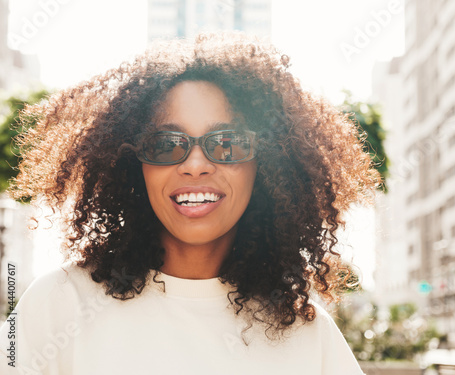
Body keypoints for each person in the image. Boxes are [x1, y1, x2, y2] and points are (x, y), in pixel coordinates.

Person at [0, 32, 380, 374]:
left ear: (264, 167)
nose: (196, 165)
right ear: (135, 166)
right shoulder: (59, 304)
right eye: (166, 145)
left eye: (227, 144)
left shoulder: (304, 331)